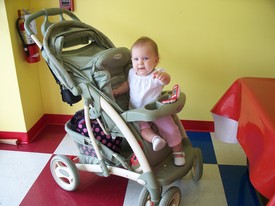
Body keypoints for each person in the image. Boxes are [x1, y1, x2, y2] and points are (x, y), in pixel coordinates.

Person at [113, 36, 185, 166]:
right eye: (136, 59)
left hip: (155, 110)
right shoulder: (131, 73)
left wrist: (164, 77)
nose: (140, 63)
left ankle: (178, 152)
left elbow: (166, 80)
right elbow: (128, 85)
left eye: (145, 58)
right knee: (143, 129)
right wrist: (118, 91)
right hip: (137, 111)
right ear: (131, 61)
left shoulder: (156, 74)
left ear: (156, 61)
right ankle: (155, 139)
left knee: (171, 128)